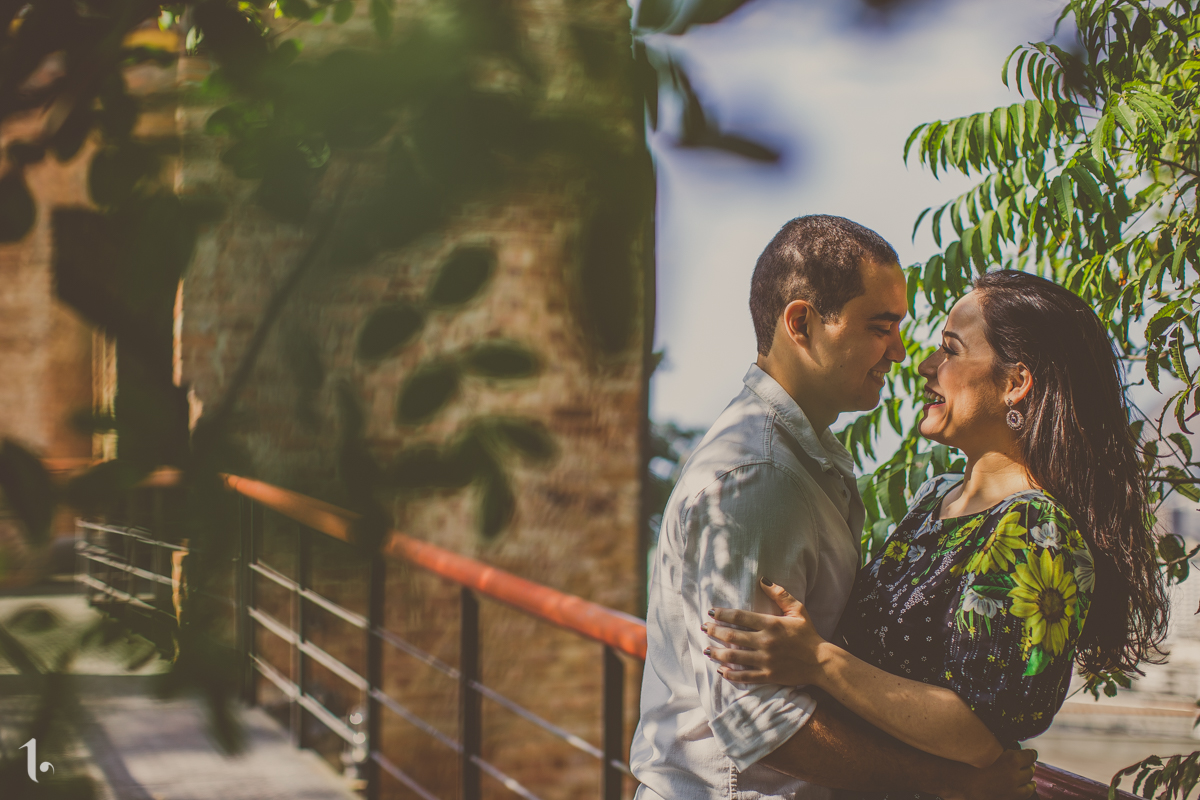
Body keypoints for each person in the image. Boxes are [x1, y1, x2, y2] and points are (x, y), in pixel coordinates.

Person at [703, 270, 1169, 797]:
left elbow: (979, 734)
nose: (924, 366)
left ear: (1015, 383)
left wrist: (817, 660)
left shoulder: (1039, 532)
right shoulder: (936, 497)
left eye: (949, 350)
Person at [629, 217, 1037, 800]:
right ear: (801, 323)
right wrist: (946, 783)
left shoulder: (800, 457)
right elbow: (759, 724)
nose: (901, 352)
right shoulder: (760, 479)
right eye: (880, 327)